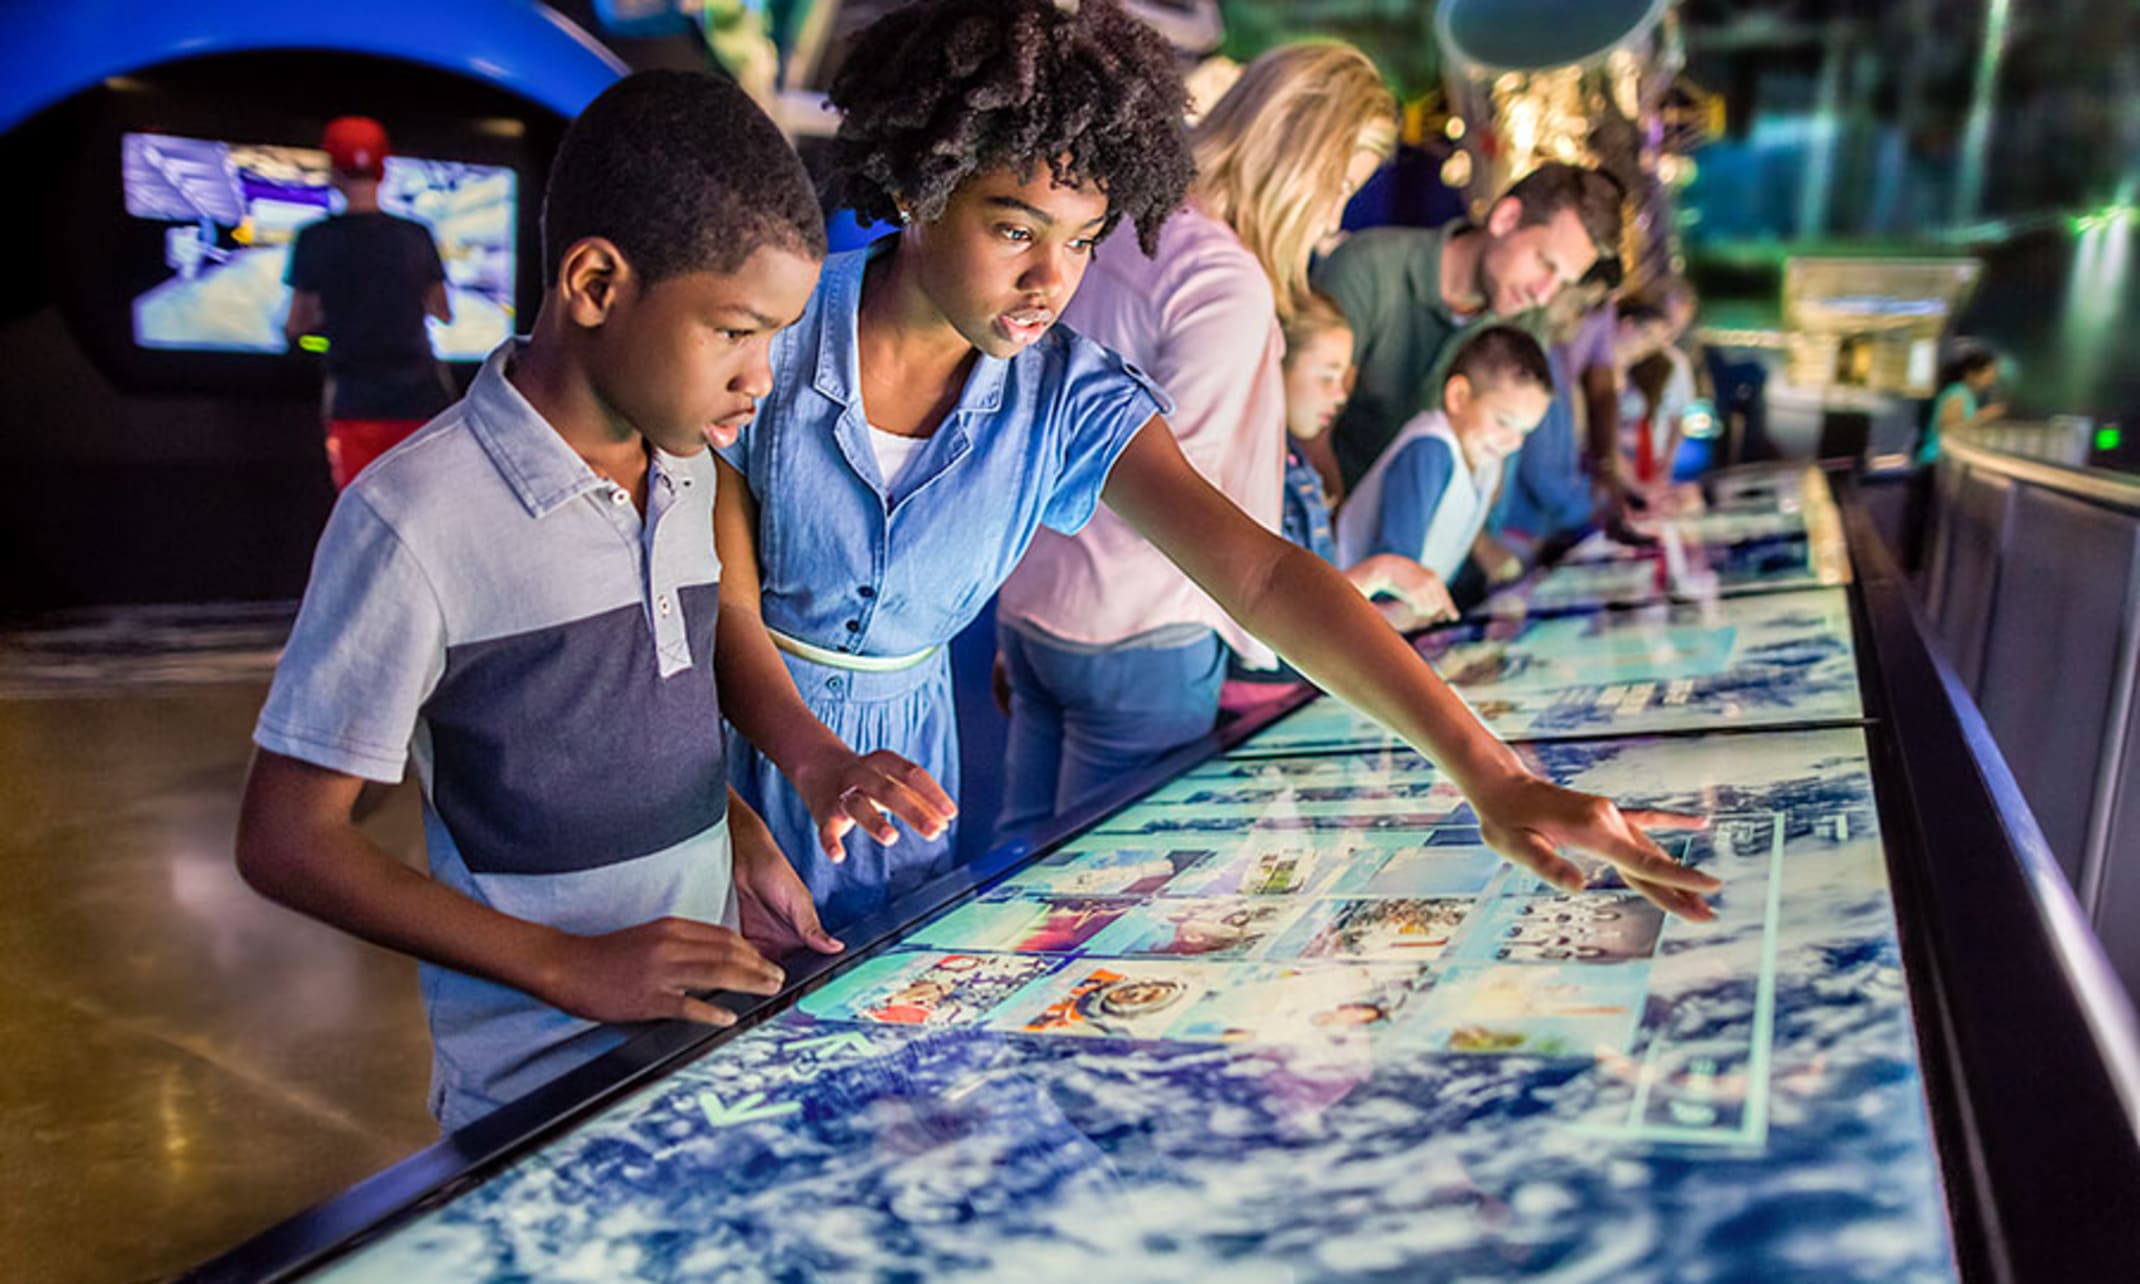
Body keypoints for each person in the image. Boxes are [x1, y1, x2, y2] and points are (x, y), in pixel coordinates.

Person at [713, 0, 1719, 934]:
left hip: (901, 787)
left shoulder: (1066, 391)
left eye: (1082, 242)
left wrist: (1489, 775)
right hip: (722, 775)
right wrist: (810, 761)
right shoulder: (776, 333)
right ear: (915, 190)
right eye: (1014, 230)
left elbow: (1263, 572)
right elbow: (707, 601)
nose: (1049, 282)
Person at [235, 72, 851, 1131]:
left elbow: (635, 708)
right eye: (736, 331)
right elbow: (288, 839)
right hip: (536, 1081)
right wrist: (570, 967)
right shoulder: (413, 520)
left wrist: (734, 834)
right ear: (598, 284)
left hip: (702, 1029)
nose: (760, 379)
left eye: (776, 340)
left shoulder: (692, 468)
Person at [993, 41, 1423, 841]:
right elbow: (1192, 497)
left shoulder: (1112, 222)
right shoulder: (1224, 279)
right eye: (1339, 185)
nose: (1333, 220)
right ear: (1296, 151)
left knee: (1012, 870)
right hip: (1146, 631)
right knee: (1105, 895)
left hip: (1032, 597)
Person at [1308, 161, 1625, 495]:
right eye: (1545, 263)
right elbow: (1309, 430)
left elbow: (1491, 463)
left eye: (1562, 283)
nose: (1544, 295)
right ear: (1506, 219)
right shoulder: (1369, 266)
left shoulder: (1529, 323)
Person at [1219, 293, 1458, 715]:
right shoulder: (1254, 468)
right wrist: (1382, 570)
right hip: (1258, 696)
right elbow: (1287, 610)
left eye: (1344, 380)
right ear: (1275, 367)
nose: (1340, 395)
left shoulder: (1292, 456)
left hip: (1299, 683)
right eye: (1327, 377)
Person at [283, 116, 456, 489]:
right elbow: (444, 313)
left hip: (355, 404)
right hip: (421, 400)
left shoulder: (314, 239)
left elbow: (298, 323)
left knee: (360, 518)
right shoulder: (416, 236)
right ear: (382, 169)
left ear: (334, 171)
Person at [1335, 326, 1555, 581]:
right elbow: (1396, 568)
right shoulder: (1430, 450)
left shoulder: (1486, 459)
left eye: (1524, 431)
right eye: (1503, 422)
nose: (1514, 442)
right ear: (1458, 397)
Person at [1921, 350, 2005, 466]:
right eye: (1987, 371)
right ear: (1970, 374)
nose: (1991, 377)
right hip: (1936, 460)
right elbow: (1949, 429)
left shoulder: (1967, 395)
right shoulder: (1957, 393)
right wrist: (1983, 416)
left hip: (1946, 460)